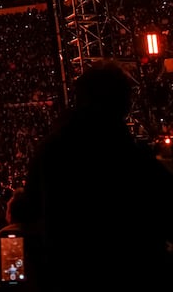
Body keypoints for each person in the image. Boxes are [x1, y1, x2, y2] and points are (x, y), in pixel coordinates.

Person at [24, 60, 173, 292]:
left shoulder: (51, 151)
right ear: (122, 105)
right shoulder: (130, 157)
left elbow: (30, 215)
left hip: (66, 276)